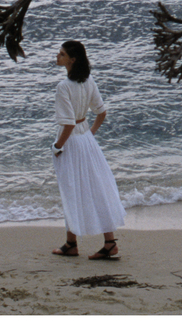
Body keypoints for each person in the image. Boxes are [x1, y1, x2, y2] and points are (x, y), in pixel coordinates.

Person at [49, 40, 126, 261]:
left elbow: (68, 124)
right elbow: (101, 112)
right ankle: (109, 242)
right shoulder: (88, 80)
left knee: (72, 189)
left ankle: (71, 244)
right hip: (86, 139)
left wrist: (57, 146)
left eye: (62, 54)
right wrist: (90, 133)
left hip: (72, 141)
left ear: (72, 60)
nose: (57, 56)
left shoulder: (64, 87)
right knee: (97, 187)